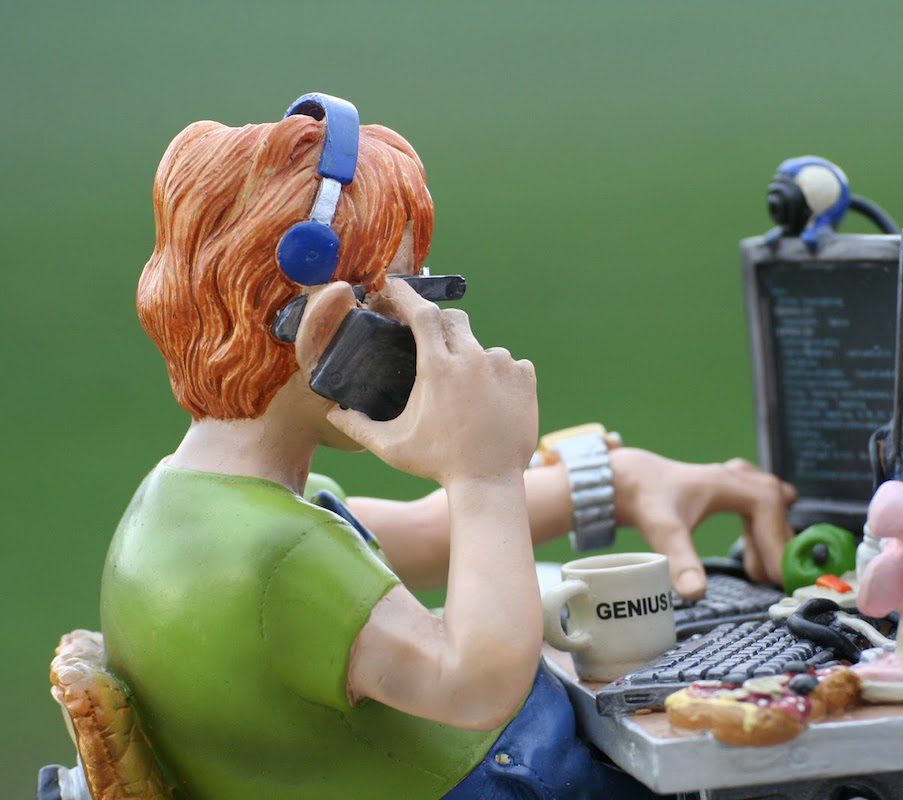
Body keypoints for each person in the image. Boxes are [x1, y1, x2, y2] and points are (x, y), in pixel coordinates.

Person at [101, 97, 796, 799]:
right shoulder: (273, 558)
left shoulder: (198, 505)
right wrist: (484, 472)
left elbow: (432, 532)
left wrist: (611, 478)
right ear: (330, 324)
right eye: (404, 305)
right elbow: (476, 682)